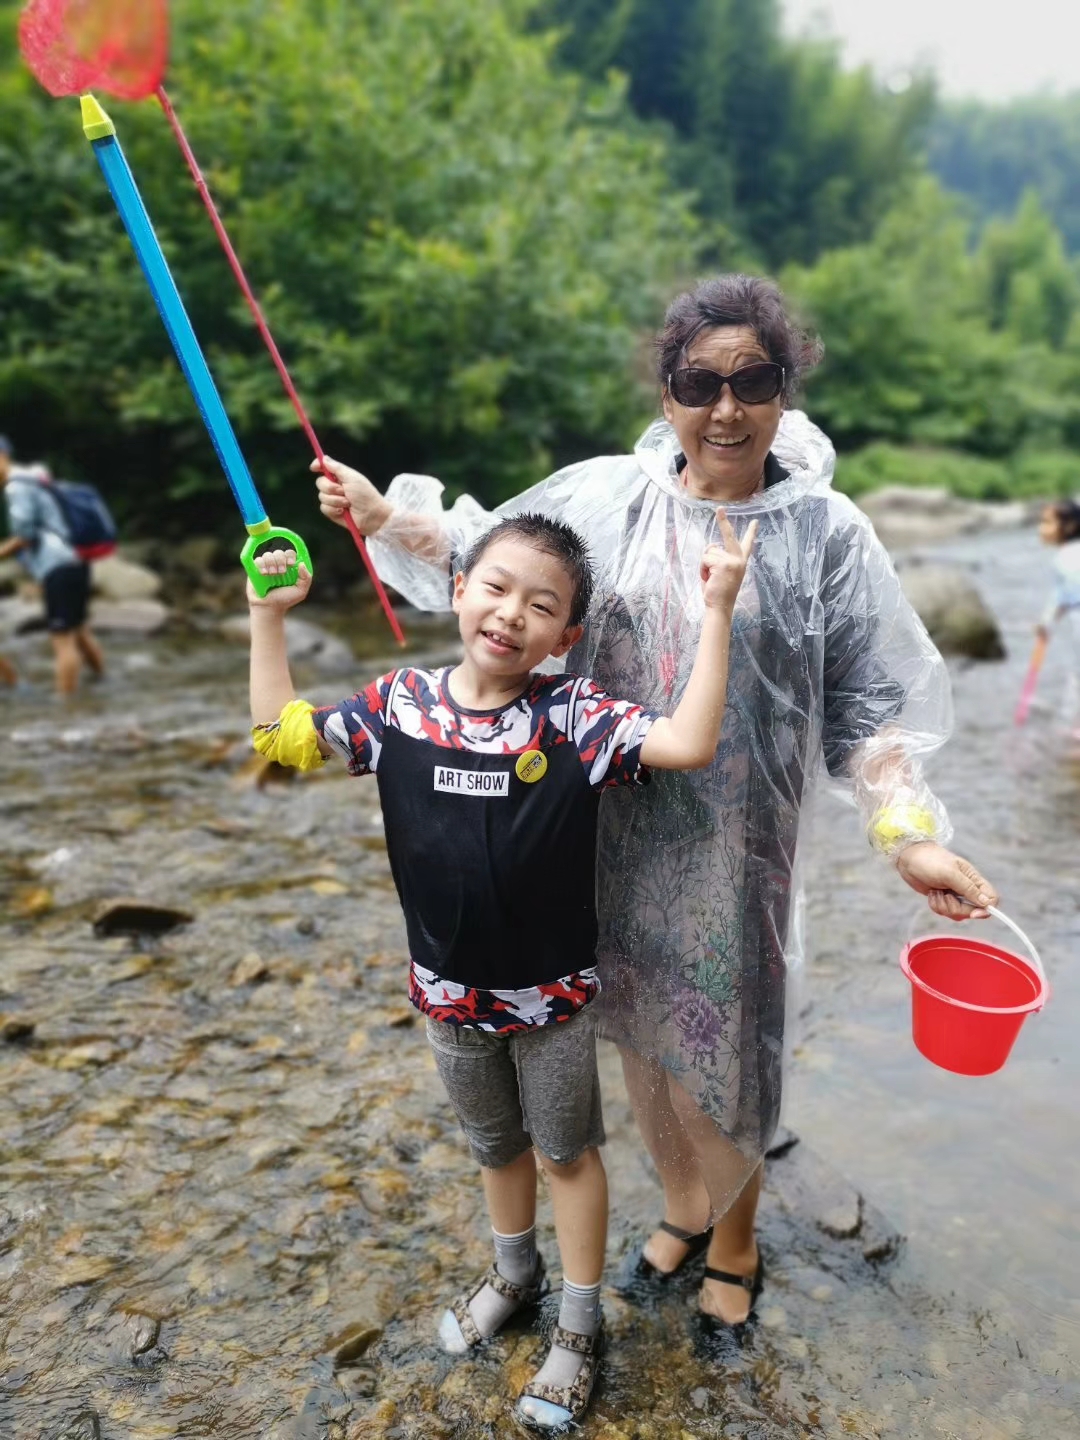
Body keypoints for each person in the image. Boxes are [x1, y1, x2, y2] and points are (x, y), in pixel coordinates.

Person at [312, 273, 998, 1336]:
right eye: (699, 382)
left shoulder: (825, 533)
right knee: (642, 1037)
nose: (726, 408)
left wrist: (908, 837)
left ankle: (736, 1241)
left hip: (741, 848)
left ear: (785, 390)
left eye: (753, 381)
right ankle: (684, 1207)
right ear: (667, 391)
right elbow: (500, 563)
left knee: (729, 1051)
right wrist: (384, 517)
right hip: (605, 833)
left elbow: (874, 705)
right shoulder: (608, 498)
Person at [247, 509, 756, 1429]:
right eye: (496, 587)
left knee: (567, 1155)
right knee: (495, 1147)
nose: (512, 612)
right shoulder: (398, 705)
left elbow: (689, 744)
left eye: (542, 606)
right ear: (457, 592)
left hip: (550, 1001)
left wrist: (717, 609)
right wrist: (268, 614)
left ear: (565, 637)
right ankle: (515, 1276)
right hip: (446, 993)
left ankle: (579, 1326)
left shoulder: (574, 716)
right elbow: (280, 738)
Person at [0, 437, 105, 696]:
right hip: (76, 558)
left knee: (62, 640)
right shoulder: (36, 478)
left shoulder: (17, 487)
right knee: (79, 631)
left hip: (58, 565)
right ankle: (103, 682)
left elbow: (24, 537)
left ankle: (65, 705)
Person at [1036, 499, 1080, 733]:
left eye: (1047, 522)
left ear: (1070, 526)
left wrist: (1046, 623)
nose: (1041, 529)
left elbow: (1062, 596)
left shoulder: (1066, 557)